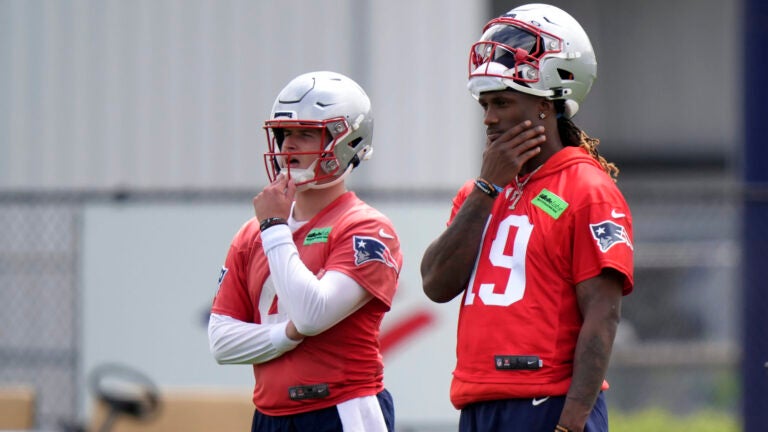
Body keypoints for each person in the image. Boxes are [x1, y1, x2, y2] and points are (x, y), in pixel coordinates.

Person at [420, 4, 634, 432]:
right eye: (485, 103)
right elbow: (435, 284)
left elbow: (602, 314)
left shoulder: (586, 189)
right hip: (480, 405)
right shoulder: (478, 191)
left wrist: (572, 422)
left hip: (547, 404)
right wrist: (486, 189)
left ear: (545, 105)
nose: (490, 118)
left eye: (502, 101)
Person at [208, 71, 402, 432]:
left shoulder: (366, 228)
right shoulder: (253, 233)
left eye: (305, 133)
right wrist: (287, 335)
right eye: (285, 135)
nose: (288, 147)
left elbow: (311, 314)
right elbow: (221, 342)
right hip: (270, 414)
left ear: (347, 139)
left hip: (341, 409)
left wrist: (275, 229)